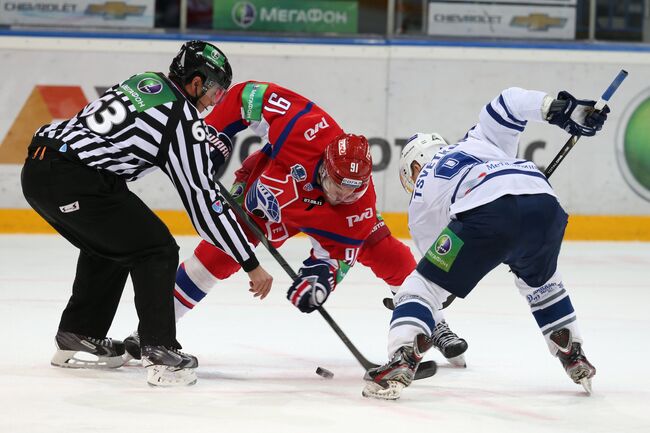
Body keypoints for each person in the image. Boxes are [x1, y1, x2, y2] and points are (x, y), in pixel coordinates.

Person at [122, 81, 468, 367]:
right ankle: (154, 330)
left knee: (388, 254)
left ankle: (432, 321)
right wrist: (215, 141)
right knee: (217, 256)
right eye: (335, 187)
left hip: (322, 222)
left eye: (351, 193)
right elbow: (246, 97)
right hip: (262, 201)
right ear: (324, 165)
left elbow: (334, 258)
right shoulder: (305, 125)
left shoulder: (355, 208)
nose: (341, 197)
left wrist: (318, 283)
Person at [21, 40, 272, 387]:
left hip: (42, 167)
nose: (216, 100)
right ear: (196, 82)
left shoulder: (146, 81)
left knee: (114, 242)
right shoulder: (182, 119)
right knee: (156, 248)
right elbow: (202, 205)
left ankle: (78, 334)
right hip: (74, 179)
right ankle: (160, 351)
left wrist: (199, 153)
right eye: (215, 89)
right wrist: (249, 262)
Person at [362, 87, 609, 400]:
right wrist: (562, 110)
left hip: (489, 214)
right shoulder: (479, 139)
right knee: (542, 283)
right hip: (545, 204)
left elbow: (437, 277)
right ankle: (573, 352)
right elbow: (509, 101)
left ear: (412, 167)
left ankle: (402, 358)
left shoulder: (420, 203)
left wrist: (428, 303)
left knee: (420, 287)